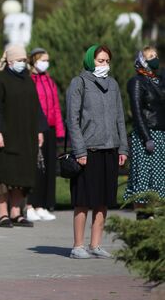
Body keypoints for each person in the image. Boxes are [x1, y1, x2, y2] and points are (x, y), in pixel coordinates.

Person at [66, 44, 128, 259]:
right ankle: (77, 246)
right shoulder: (79, 83)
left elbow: (120, 117)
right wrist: (79, 150)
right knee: (83, 200)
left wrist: (123, 147)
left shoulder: (113, 84)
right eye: (100, 61)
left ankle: (96, 244)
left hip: (110, 150)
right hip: (88, 151)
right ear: (90, 61)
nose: (104, 65)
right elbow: (72, 120)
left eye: (107, 61)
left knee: (103, 200)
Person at [0, 43, 47, 228]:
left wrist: (40, 131)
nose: (22, 63)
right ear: (10, 61)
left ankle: (16, 213)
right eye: (19, 60)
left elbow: (36, 108)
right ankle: (3, 214)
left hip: (26, 138)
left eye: (24, 60)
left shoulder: (28, 81)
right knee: (2, 177)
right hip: (5, 137)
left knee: (22, 177)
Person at [124, 46, 165, 218]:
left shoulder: (160, 80)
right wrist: (147, 137)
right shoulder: (137, 82)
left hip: (161, 134)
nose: (154, 58)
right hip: (146, 136)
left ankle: (154, 217)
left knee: (159, 182)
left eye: (156, 55)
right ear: (142, 60)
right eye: (150, 56)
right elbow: (137, 112)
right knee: (142, 182)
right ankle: (142, 217)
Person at [25, 48, 65, 222]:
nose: (46, 63)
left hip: (50, 129)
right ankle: (30, 205)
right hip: (35, 129)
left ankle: (42, 205)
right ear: (34, 61)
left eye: (47, 60)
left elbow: (55, 106)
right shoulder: (29, 80)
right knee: (35, 168)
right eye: (43, 59)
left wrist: (60, 130)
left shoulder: (49, 80)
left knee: (48, 168)